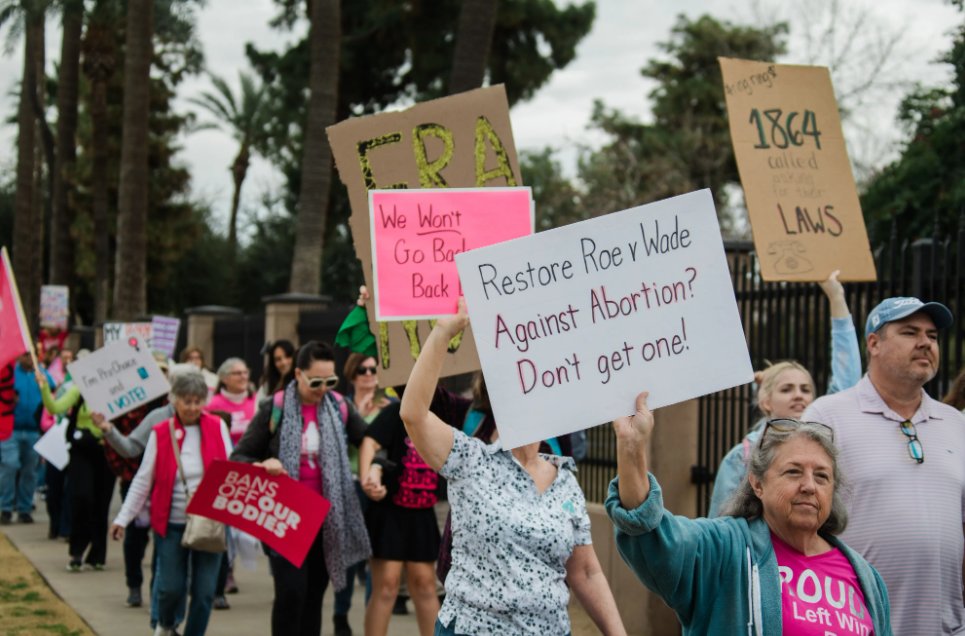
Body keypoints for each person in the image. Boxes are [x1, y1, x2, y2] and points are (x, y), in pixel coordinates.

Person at [400, 300, 626, 636]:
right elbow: (414, 413)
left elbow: (587, 571)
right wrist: (443, 331)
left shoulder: (566, 483)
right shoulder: (470, 458)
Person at [606, 396, 891, 634]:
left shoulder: (866, 577)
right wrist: (632, 448)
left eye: (822, 476)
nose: (809, 486)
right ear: (757, 483)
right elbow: (653, 537)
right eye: (793, 472)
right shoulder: (723, 549)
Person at [803, 296, 965, 635]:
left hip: (945, 627)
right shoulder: (827, 415)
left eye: (932, 336)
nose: (925, 343)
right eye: (909, 332)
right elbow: (797, 520)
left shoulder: (956, 423)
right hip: (854, 623)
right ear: (873, 343)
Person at [231, 340, 371, 636]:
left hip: (326, 520)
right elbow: (240, 456)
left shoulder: (340, 407)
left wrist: (378, 468)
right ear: (298, 374)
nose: (323, 389)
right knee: (290, 594)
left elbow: (370, 441)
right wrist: (264, 463)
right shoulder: (275, 407)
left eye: (330, 381)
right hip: (284, 518)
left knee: (313, 597)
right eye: (316, 381)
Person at [708, 271, 861, 516]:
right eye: (786, 389)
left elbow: (847, 379)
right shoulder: (741, 458)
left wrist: (837, 298)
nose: (798, 395)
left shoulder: (823, 434)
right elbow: (720, 524)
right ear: (765, 401)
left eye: (805, 389)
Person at [110, 370, 232, 636]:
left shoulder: (217, 427)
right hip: (172, 523)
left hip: (209, 522)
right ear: (173, 400)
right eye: (186, 401)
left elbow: (232, 473)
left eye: (197, 401)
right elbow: (143, 480)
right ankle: (166, 624)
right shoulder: (161, 432)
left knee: (203, 592)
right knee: (170, 587)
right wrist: (122, 518)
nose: (192, 407)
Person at [359, 400, 440, 636]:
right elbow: (369, 442)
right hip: (389, 509)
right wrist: (367, 479)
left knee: (425, 584)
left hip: (423, 510)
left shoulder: (443, 412)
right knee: (387, 584)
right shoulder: (397, 410)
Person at [333, 352, 394, 636]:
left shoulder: (389, 405)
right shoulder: (341, 407)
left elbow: (386, 448)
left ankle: (372, 613)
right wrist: (359, 415)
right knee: (347, 554)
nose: (369, 374)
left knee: (375, 554)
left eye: (373, 369)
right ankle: (340, 612)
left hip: (377, 486)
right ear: (352, 374)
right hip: (348, 485)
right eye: (362, 370)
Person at [206, 356, 258, 608]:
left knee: (242, 528)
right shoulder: (214, 404)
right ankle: (224, 575)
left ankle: (228, 568)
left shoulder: (255, 403)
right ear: (224, 378)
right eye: (237, 373)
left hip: (249, 471)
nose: (243, 377)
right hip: (224, 473)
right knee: (226, 528)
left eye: (245, 372)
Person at [1, 354, 54, 524]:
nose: (29, 359)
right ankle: (5, 507)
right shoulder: (10, 373)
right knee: (9, 465)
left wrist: (44, 382)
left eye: (31, 356)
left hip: (33, 431)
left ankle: (24, 508)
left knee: (30, 471)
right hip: (11, 429)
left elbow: (53, 389)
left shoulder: (41, 373)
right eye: (25, 356)